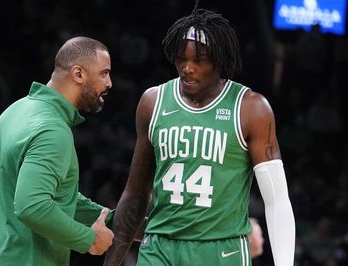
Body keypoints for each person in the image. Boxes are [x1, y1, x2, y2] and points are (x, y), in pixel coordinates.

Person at [103, 5, 295, 266]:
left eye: (198, 60)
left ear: (219, 61)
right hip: (159, 247)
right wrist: (112, 261)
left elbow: (277, 201)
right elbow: (135, 193)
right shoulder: (153, 102)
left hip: (220, 250)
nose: (187, 68)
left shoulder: (251, 109)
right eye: (181, 58)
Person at [0, 36, 114, 266]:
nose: (109, 83)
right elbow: (32, 206)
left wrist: (114, 220)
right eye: (104, 73)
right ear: (78, 74)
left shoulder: (15, 110)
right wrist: (90, 239)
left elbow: (55, 196)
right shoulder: (53, 129)